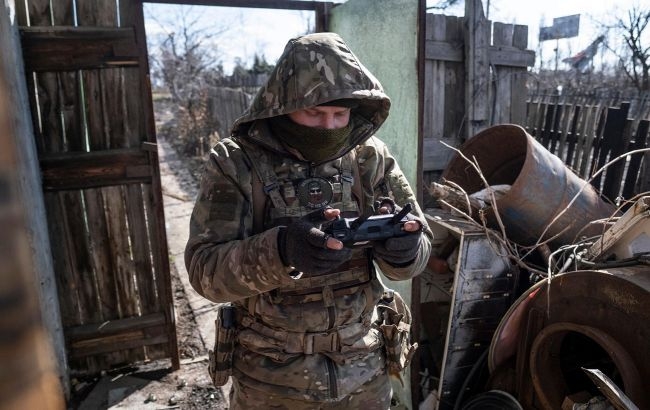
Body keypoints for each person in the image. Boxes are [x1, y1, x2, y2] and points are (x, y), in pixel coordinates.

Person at [185, 32, 433, 409]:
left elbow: (419, 245)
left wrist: (404, 252)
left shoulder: (371, 158)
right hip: (270, 382)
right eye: (314, 113)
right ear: (283, 108)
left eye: (340, 114)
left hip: (364, 373)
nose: (329, 126)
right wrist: (281, 252)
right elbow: (205, 271)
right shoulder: (235, 162)